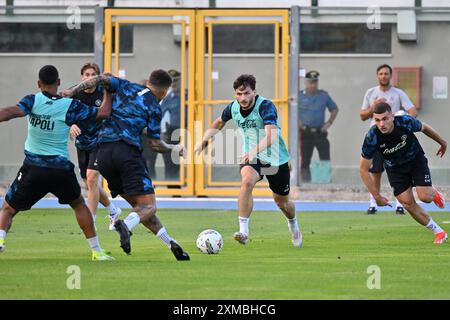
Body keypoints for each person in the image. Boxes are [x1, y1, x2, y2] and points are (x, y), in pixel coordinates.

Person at [61, 69, 190, 260]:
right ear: (164, 91)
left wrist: (72, 91)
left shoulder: (126, 85)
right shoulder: (154, 106)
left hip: (103, 154)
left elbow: (101, 79)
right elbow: (154, 144)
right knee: (149, 206)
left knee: (141, 208)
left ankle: (171, 242)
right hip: (126, 153)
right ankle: (125, 225)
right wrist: (174, 147)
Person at [0, 65, 114, 260]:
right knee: (79, 205)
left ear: (39, 84)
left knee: (9, 208)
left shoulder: (32, 100)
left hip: (33, 168)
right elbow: (103, 114)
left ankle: (0, 240)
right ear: (59, 82)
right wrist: (110, 92)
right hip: (60, 169)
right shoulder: (70, 105)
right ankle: (96, 251)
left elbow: (12, 112)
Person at [194, 74, 302, 247]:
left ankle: (293, 225)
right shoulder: (233, 108)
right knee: (247, 181)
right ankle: (243, 231)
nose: (242, 98)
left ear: (254, 92)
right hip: (251, 157)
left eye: (246, 94)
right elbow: (218, 123)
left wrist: (252, 152)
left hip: (276, 158)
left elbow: (271, 137)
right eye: (239, 94)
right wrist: (201, 143)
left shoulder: (265, 106)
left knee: (282, 202)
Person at [360, 102, 447, 244]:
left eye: (385, 119)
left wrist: (442, 142)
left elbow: (424, 128)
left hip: (415, 161)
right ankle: (438, 231)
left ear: (392, 116)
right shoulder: (372, 137)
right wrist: (376, 196)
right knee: (407, 203)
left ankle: (433, 193)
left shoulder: (405, 122)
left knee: (425, 197)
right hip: (395, 170)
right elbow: (363, 169)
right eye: (377, 120)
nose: (381, 123)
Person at [360, 64, 418, 215]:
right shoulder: (371, 92)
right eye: (381, 73)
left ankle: (400, 203)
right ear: (377, 75)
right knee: (376, 171)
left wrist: (403, 121)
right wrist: (373, 107)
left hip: (396, 138)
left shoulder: (398, 93)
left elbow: (412, 110)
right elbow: (362, 116)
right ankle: (374, 202)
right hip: (377, 139)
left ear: (391, 75)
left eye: (386, 73)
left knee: (400, 170)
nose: (383, 76)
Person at [69, 62, 121, 230]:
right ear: (82, 77)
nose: (90, 78)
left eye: (93, 75)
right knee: (89, 182)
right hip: (82, 142)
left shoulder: (104, 94)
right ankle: (113, 210)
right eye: (87, 74)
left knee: (92, 178)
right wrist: (70, 125)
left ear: (98, 78)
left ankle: (90, 221)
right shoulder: (74, 94)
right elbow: (63, 115)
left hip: (100, 142)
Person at [299, 70, 338, 182]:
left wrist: (329, 123)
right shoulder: (300, 96)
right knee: (305, 161)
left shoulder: (323, 95)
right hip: (305, 132)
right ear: (306, 83)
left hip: (320, 132)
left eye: (315, 82)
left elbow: (334, 109)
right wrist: (299, 123)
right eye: (310, 82)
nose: (313, 85)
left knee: (325, 159)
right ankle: (305, 184)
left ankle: (325, 183)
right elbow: (292, 111)